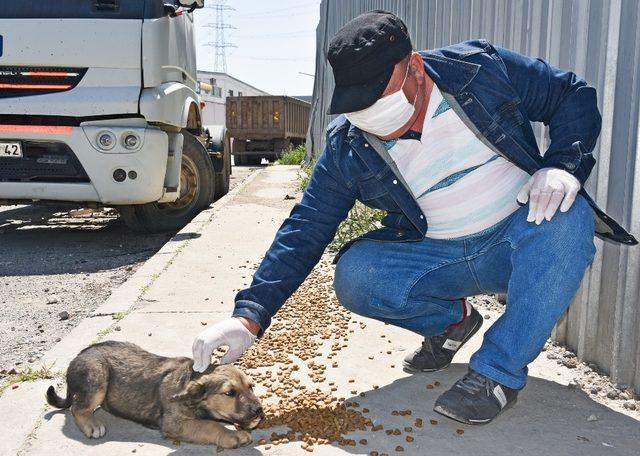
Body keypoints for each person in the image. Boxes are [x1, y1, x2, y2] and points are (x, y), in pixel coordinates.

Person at [192, 10, 636, 425]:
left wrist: (562, 165)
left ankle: (497, 372)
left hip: (515, 237)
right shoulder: (349, 142)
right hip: (436, 253)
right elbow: (307, 226)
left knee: (567, 218)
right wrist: (250, 315)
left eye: (381, 105)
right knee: (358, 276)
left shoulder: (479, 71)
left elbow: (572, 93)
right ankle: (452, 322)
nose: (379, 124)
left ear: (415, 69)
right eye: (361, 111)